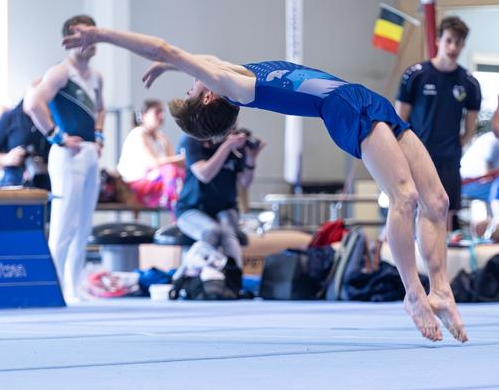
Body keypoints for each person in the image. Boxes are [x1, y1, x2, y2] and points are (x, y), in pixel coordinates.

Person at [62, 24, 468, 343]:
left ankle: (442, 291)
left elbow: (183, 56)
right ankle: (414, 294)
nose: (192, 79)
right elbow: (164, 48)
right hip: (343, 109)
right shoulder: (232, 85)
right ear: (207, 97)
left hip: (362, 97)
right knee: (405, 197)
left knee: (437, 200)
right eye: (191, 86)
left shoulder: (232, 72)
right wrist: (101, 35)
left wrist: (172, 65)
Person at [24, 14, 105, 302]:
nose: (91, 41)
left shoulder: (96, 77)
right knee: (64, 224)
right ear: (68, 38)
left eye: (94, 34)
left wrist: (99, 136)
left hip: (89, 153)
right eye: (85, 34)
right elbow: (32, 104)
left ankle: (75, 285)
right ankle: (52, 286)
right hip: (67, 154)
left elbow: (101, 109)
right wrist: (56, 135)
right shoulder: (60, 73)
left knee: (83, 225)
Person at [395, 16, 482, 231]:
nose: (453, 47)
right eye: (449, 40)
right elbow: (399, 119)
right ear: (439, 40)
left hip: (448, 159)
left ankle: (444, 260)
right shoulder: (415, 75)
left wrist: (457, 144)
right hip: (416, 155)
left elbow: (470, 126)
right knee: (409, 207)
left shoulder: (469, 83)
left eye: (458, 43)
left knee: (446, 212)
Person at [175, 128, 262, 268]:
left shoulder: (236, 149)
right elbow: (204, 175)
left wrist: (251, 158)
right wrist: (227, 146)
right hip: (191, 209)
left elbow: (244, 183)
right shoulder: (192, 139)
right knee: (212, 231)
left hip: (225, 208)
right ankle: (186, 273)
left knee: (228, 235)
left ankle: (232, 280)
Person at [117, 99, 185, 209]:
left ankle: (183, 207)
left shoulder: (162, 137)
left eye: (162, 112)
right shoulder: (138, 134)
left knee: (182, 173)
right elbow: (154, 163)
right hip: (134, 187)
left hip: (157, 183)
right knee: (170, 171)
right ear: (144, 115)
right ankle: (177, 210)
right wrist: (180, 159)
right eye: (157, 112)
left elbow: (174, 163)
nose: (162, 116)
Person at [0, 99, 50, 189]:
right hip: (11, 181)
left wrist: (42, 167)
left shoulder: (50, 119)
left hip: (43, 184)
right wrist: (6, 159)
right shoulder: (10, 118)